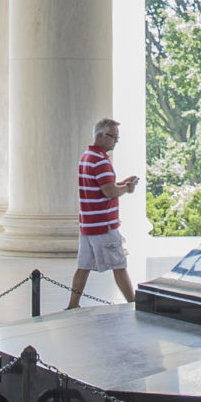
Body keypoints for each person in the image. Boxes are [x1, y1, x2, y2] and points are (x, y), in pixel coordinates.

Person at [68, 116, 140, 307]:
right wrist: (127, 188)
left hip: (88, 225)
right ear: (100, 136)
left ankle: (73, 304)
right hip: (103, 225)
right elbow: (109, 191)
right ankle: (133, 303)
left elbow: (101, 186)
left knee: (83, 267)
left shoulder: (86, 157)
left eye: (117, 138)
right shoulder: (100, 161)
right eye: (112, 136)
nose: (115, 141)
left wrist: (122, 184)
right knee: (119, 264)